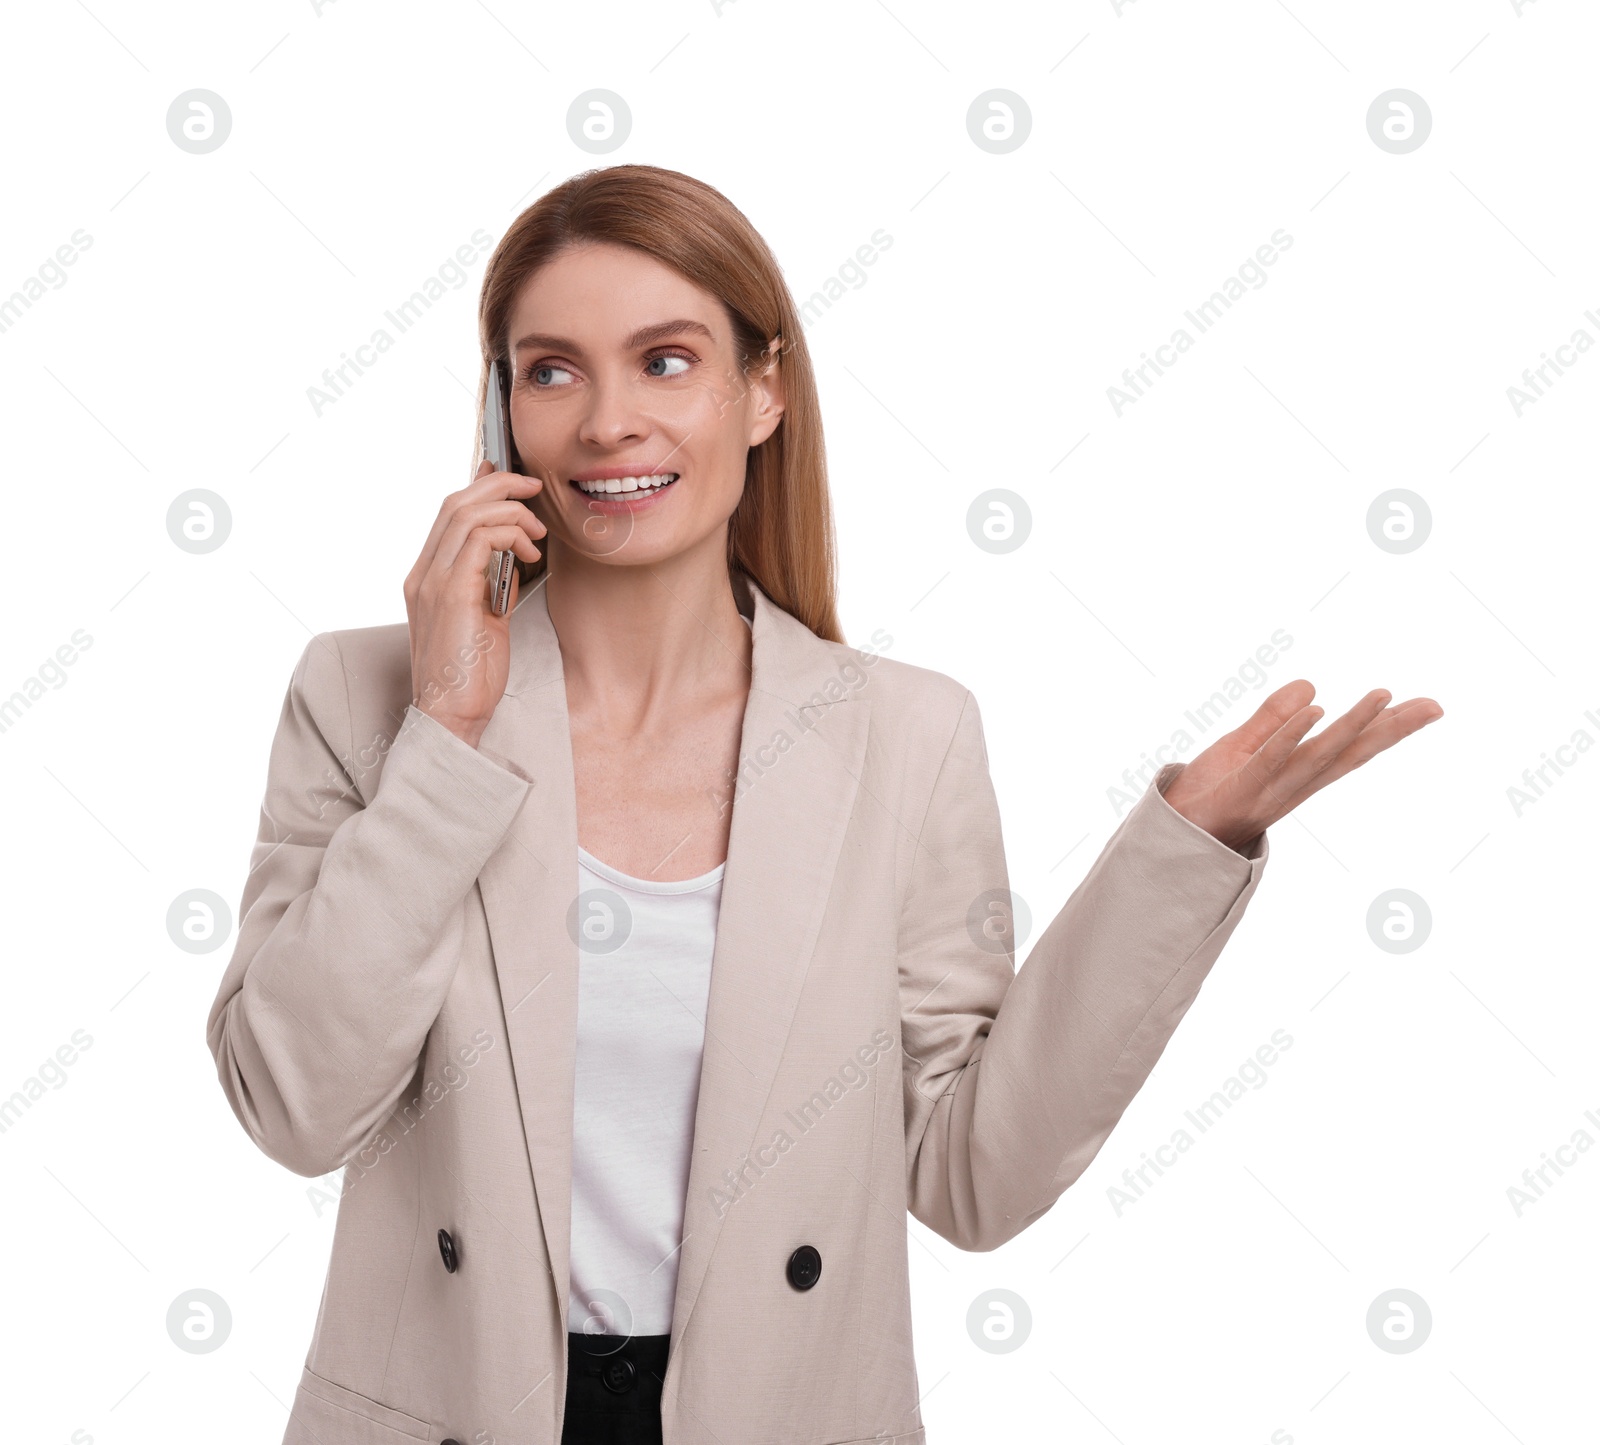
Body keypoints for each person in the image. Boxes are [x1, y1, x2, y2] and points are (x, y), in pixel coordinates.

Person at [206, 164, 1442, 1445]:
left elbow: (971, 1172)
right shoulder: (364, 695)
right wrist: (448, 733)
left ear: (764, 391)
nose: (606, 421)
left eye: (667, 361)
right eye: (552, 370)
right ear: (499, 414)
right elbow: (297, 1107)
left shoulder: (901, 732)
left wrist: (1185, 852)